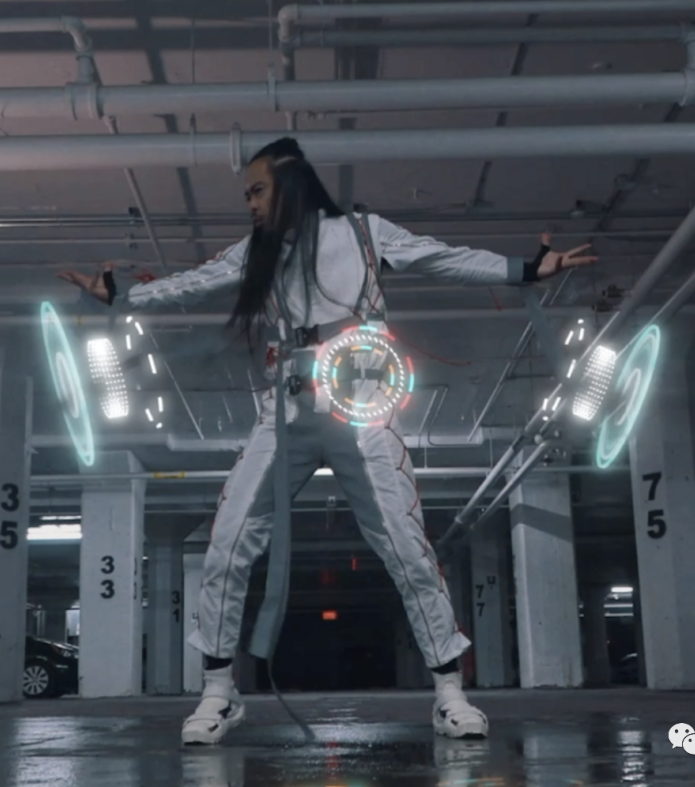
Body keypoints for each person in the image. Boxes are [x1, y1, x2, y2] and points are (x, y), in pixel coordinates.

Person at [59, 137, 597, 745]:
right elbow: (195, 282)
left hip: (362, 406)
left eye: (257, 190)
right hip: (286, 411)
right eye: (247, 194)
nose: (250, 204)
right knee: (227, 542)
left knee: (406, 547)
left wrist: (526, 269)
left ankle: (450, 693)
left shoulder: (365, 232)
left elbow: (441, 258)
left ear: (290, 184)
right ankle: (218, 692)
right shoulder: (256, 251)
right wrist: (121, 295)